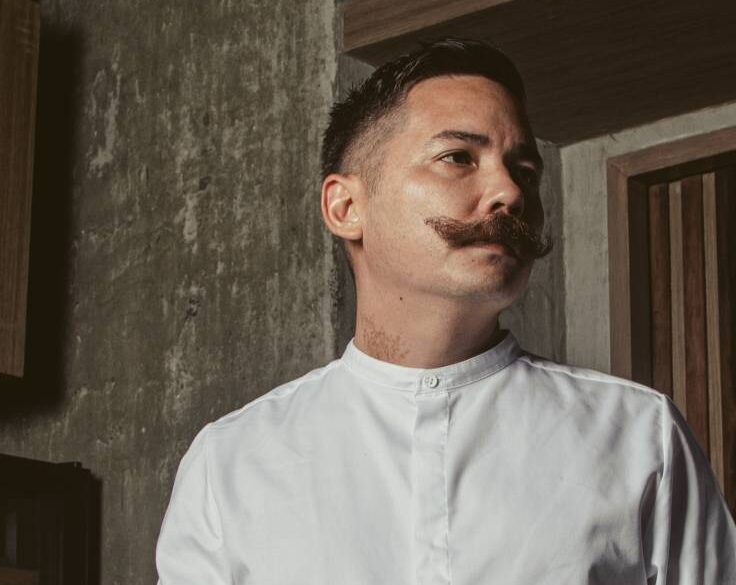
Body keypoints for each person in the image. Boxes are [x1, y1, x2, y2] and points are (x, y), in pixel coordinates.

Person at [155, 38, 736, 584]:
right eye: (458, 157)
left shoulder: (640, 437)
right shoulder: (230, 464)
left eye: (525, 172)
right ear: (346, 206)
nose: (510, 192)